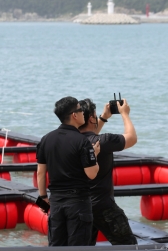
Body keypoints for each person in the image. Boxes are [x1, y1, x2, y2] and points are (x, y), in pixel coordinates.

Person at [36, 96, 100, 246]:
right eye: (80, 109)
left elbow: (40, 172)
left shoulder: (46, 139)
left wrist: (43, 198)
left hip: (56, 202)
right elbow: (91, 174)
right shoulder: (82, 141)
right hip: (78, 203)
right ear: (74, 115)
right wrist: (94, 156)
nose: (83, 113)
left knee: (57, 246)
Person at [78, 98, 138, 245]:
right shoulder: (104, 141)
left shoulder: (72, 142)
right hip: (104, 206)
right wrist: (125, 114)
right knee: (128, 246)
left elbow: (89, 136)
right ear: (92, 118)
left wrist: (104, 117)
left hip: (80, 207)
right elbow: (132, 138)